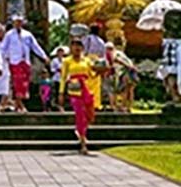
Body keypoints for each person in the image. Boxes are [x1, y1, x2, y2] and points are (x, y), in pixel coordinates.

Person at [60, 26, 105, 154]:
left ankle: (80, 131)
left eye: (79, 45)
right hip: (74, 89)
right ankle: (83, 141)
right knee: (80, 114)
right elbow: (63, 77)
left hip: (86, 88)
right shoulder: (67, 61)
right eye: (74, 45)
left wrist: (101, 70)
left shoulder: (87, 61)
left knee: (89, 115)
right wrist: (61, 93)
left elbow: (93, 73)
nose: (77, 48)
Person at [1, 14, 47, 112]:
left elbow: (35, 46)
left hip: (25, 61)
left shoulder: (27, 34)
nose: (18, 24)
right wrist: (3, 60)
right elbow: (3, 48)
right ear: (13, 23)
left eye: (20, 22)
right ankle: (21, 105)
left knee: (24, 84)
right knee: (17, 83)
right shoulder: (9, 35)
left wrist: (44, 56)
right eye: (16, 22)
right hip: (14, 61)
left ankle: (18, 104)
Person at [109, 43, 137, 113]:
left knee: (124, 91)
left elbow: (116, 59)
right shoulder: (123, 55)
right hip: (131, 72)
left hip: (125, 72)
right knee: (130, 91)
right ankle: (129, 107)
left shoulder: (116, 52)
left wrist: (127, 66)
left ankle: (123, 106)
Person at [44, 46, 66, 111]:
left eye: (61, 52)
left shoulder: (65, 60)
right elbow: (52, 69)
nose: (60, 53)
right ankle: (55, 105)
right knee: (56, 92)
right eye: (59, 52)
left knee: (63, 93)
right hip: (56, 78)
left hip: (63, 78)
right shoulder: (54, 60)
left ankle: (61, 105)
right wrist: (58, 69)